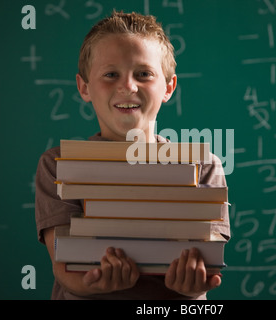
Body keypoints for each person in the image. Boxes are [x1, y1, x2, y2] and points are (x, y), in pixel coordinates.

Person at [35, 10, 230, 300]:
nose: (128, 86)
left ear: (168, 87)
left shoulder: (203, 166)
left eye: (144, 74)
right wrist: (95, 282)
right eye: (111, 74)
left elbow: (207, 264)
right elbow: (65, 269)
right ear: (84, 87)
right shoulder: (57, 165)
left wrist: (192, 286)